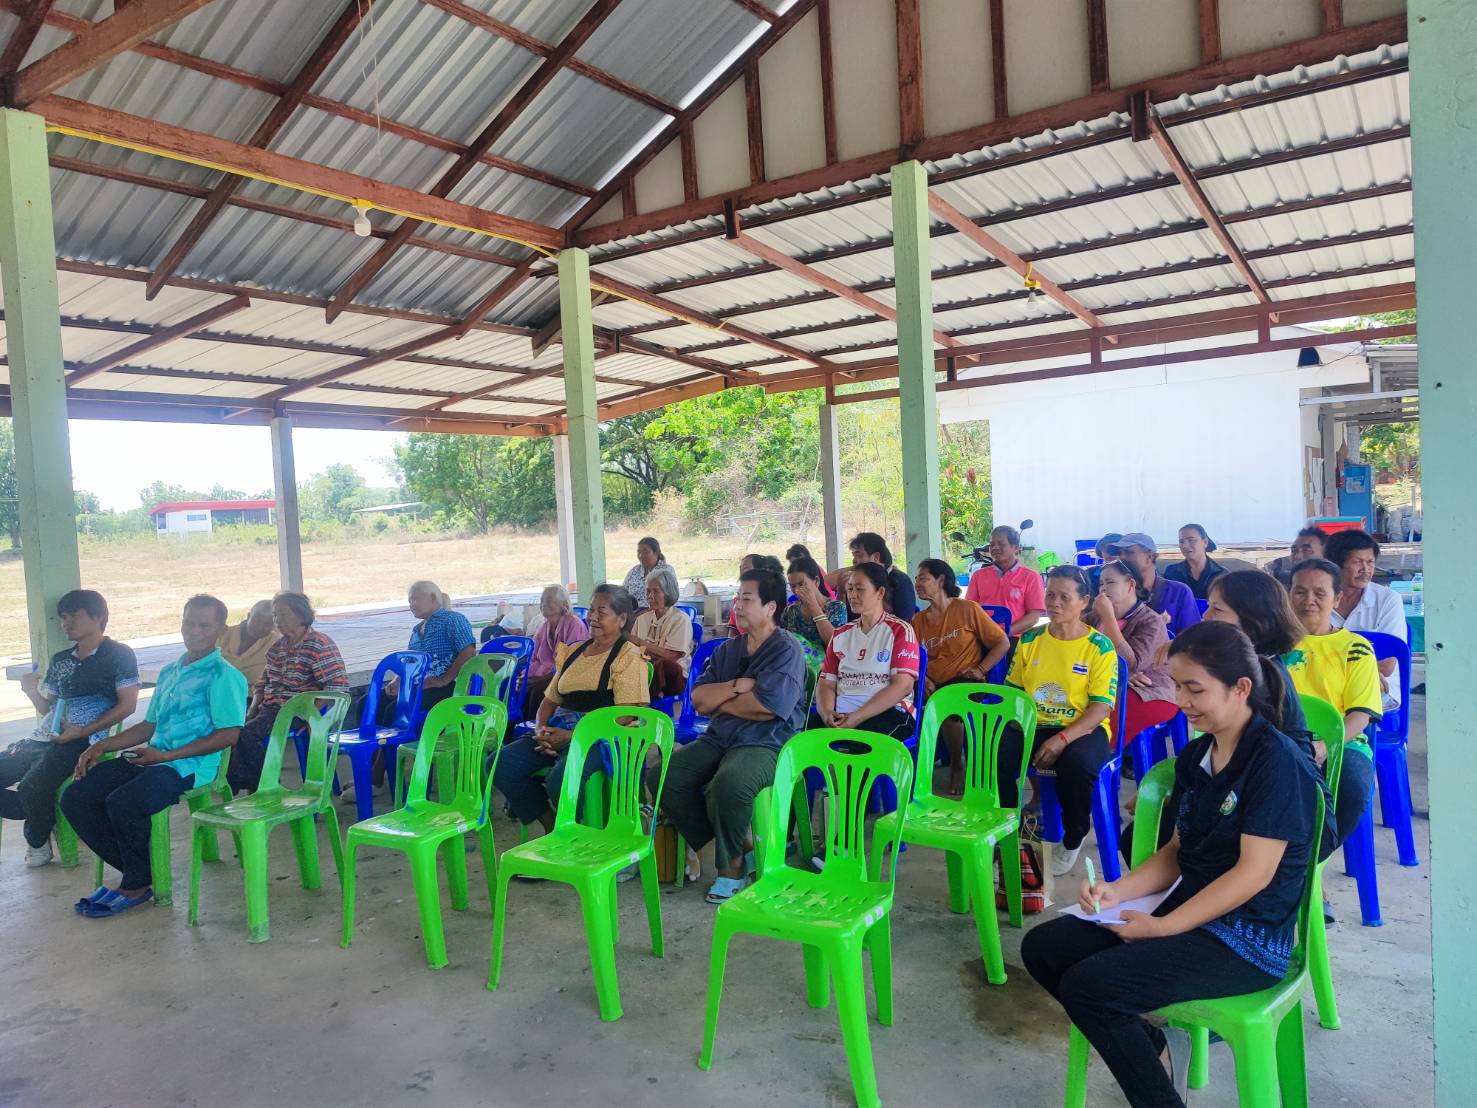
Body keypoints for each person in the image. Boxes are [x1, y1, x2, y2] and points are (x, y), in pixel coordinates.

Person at [1022, 621, 1322, 1108]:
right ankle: (1154, 1044)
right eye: (1178, 686)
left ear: (1241, 688)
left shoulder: (1276, 762)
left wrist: (1163, 927)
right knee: (1044, 948)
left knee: (1090, 989)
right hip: (1189, 910)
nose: (1181, 700)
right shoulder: (1199, 754)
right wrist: (1118, 891)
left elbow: (1254, 874)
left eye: (1194, 689)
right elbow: (1177, 850)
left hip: (1247, 937)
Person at [60, 595, 247, 918]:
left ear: (222, 630)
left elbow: (229, 735)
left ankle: (136, 883)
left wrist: (165, 756)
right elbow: (149, 725)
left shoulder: (224, 676)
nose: (195, 631)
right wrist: (102, 746)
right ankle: (143, 871)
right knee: (76, 796)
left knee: (124, 802)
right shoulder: (171, 671)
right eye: (189, 623)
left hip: (190, 765)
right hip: (151, 756)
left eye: (205, 626)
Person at [656, 567, 807, 904]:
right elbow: (699, 700)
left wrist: (721, 702)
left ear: (770, 607)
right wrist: (737, 686)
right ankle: (739, 844)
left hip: (767, 742)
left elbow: (767, 708)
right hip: (720, 737)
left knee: (730, 783)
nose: (737, 605)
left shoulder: (785, 649)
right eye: (737, 598)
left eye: (746, 599)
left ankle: (731, 866)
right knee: (664, 775)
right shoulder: (729, 650)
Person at [492, 585, 648, 835]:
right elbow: (549, 700)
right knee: (501, 764)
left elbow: (625, 713)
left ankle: (579, 834)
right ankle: (554, 827)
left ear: (621, 619)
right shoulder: (574, 652)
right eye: (591, 610)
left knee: (562, 778)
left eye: (601, 612)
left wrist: (571, 736)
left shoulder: (629, 656)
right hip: (560, 728)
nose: (592, 617)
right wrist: (542, 730)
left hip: (604, 736)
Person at [1, 590, 139, 867]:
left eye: (74, 616)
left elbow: (128, 706)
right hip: (43, 738)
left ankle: (37, 840)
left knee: (32, 786)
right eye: (63, 617)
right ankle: (44, 815)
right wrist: (31, 691)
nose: (66, 623)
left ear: (98, 616)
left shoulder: (118, 655)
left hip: (83, 742)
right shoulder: (61, 659)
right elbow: (48, 709)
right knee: (33, 791)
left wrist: (84, 731)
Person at [1002, 565, 1118, 876]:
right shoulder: (1030, 640)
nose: (1054, 602)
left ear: (1084, 601)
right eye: (1050, 594)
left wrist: (1062, 739)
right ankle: (1008, 828)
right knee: (994, 753)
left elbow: (1100, 708)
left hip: (1083, 728)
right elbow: (1013, 689)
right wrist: (1015, 720)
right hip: (1034, 724)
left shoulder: (1099, 647)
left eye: (1064, 597)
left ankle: (1073, 836)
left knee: (1077, 765)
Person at [1284, 559, 1380, 852]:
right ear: (1288, 593)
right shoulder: (1272, 645)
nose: (1308, 601)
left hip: (1341, 743)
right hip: (1281, 739)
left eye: (1320, 593)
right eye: (1300, 591)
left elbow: (1360, 714)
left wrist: (1325, 746)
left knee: (1352, 784)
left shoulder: (1356, 649)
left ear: (1337, 598)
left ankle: (1310, 863)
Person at [228, 592, 348, 794]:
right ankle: (247, 783)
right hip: (269, 707)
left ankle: (264, 787)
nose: (277, 620)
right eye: (275, 615)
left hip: (294, 709)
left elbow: (337, 685)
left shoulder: (318, 644)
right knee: (230, 729)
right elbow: (263, 682)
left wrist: (311, 715)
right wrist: (253, 708)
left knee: (248, 734)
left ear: (300, 614)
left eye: (283, 614)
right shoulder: (278, 647)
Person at [911, 558, 1008, 795]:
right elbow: (913, 659)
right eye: (916, 579)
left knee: (949, 703)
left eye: (923, 578)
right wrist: (923, 680)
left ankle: (957, 762)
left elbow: (1002, 643)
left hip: (967, 681)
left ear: (941, 580)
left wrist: (981, 669)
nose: (917, 584)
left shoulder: (967, 609)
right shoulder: (918, 621)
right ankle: (913, 770)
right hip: (932, 684)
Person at [814, 562, 920, 739]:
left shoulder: (900, 631)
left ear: (880, 592)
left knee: (860, 746)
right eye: (849, 589)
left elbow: (903, 685)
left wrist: (857, 717)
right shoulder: (840, 634)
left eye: (859, 589)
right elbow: (826, 683)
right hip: (842, 714)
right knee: (802, 740)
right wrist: (826, 713)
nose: (852, 595)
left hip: (888, 713)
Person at [1089, 559, 1177, 746]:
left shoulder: (1151, 621)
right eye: (1101, 583)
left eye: (1110, 582)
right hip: (1106, 684)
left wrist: (1108, 617)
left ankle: (1103, 758)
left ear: (1131, 585)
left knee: (1103, 715)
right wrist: (1119, 675)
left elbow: (1131, 664)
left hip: (1149, 691)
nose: (1103, 589)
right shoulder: (1094, 617)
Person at [1324, 529, 1408, 714]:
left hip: (1380, 691)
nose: (1366, 570)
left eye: (1370, 562)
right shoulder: (1319, 599)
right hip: (1330, 689)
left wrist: (1330, 666)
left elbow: (1387, 665)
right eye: (1357, 562)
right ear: (1336, 565)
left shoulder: (1388, 600)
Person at [394, 580, 476, 715]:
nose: (411, 605)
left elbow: (468, 651)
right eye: (409, 601)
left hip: (449, 686)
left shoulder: (453, 619)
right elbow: (409, 661)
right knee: (367, 702)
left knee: (395, 710)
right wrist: (397, 681)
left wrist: (443, 680)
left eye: (415, 599)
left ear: (432, 597)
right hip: (419, 686)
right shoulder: (416, 630)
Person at [1108, 533, 1201, 635]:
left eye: (1128, 552)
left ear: (1149, 556)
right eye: (1119, 553)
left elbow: (1193, 637)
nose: (1122, 557)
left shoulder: (1179, 592)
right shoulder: (1115, 592)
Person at [964, 524, 1046, 636]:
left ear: (1015, 548)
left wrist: (1004, 633)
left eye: (1001, 544)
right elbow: (969, 610)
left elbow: (1033, 616)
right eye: (992, 544)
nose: (995, 548)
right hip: (982, 636)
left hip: (1014, 637)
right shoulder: (978, 576)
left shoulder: (1031, 577)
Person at [521, 585, 588, 714]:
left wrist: (542, 680)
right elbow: (533, 658)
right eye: (542, 600)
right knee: (518, 689)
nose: (543, 604)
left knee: (538, 692)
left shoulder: (574, 624)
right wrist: (524, 677)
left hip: (566, 678)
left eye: (548, 600)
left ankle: (539, 725)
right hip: (544, 676)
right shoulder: (543, 628)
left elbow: (573, 663)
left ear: (563, 604)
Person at [632, 574, 694, 698]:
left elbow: (671, 656)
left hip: (672, 677)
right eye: (648, 591)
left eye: (655, 591)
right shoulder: (641, 619)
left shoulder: (680, 619)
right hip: (643, 671)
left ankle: (645, 697)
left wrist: (640, 642)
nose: (650, 596)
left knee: (665, 665)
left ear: (668, 593)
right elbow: (631, 649)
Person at [847, 532, 917, 620]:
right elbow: (851, 618)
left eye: (859, 555)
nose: (854, 560)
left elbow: (904, 618)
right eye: (853, 556)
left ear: (876, 557)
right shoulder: (854, 580)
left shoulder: (900, 581)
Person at [781, 555, 847, 648]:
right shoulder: (791, 611)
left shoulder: (836, 608)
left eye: (801, 584)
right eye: (793, 586)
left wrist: (813, 605)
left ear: (816, 581)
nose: (797, 590)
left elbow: (835, 644)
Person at [215, 600, 279, 688]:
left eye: (267, 624)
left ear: (274, 626)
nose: (259, 627)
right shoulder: (223, 634)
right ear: (248, 616)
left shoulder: (277, 645)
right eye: (256, 621)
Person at [1162, 523, 1227, 601]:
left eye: (1191, 540)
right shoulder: (1172, 572)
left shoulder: (1221, 574)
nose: (1185, 546)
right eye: (1181, 541)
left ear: (1205, 542)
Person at [621, 536, 678, 610]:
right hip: (633, 611)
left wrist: (645, 612)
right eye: (639, 552)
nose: (641, 556)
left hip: (657, 611)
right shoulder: (634, 571)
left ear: (656, 552)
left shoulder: (666, 571)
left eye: (645, 552)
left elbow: (670, 599)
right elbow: (622, 593)